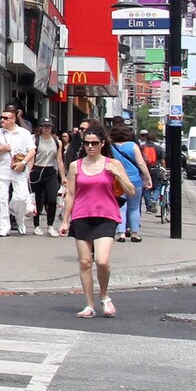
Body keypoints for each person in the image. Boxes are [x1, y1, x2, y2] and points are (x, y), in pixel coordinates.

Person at [61, 125, 135, 317]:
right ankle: (89, 305)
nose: (90, 147)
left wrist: (117, 174)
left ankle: (104, 295)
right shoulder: (75, 166)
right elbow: (70, 194)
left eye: (94, 143)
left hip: (106, 216)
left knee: (102, 261)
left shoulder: (113, 164)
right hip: (82, 216)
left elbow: (131, 191)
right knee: (85, 262)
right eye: (87, 143)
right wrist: (64, 220)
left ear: (102, 144)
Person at [0, 106, 35, 237]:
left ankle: (20, 220)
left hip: (19, 169)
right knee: (2, 198)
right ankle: (4, 226)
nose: (2, 120)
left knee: (21, 197)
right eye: (1, 118)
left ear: (14, 119)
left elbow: (32, 150)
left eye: (6, 118)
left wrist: (24, 162)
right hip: (2, 169)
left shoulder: (24, 133)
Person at [108, 120, 150, 241]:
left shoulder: (111, 147)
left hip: (117, 180)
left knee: (120, 207)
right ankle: (135, 233)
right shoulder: (133, 146)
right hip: (134, 180)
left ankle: (120, 233)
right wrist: (147, 178)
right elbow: (141, 163)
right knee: (134, 207)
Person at [28, 119, 63, 236]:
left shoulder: (57, 142)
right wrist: (28, 171)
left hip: (50, 171)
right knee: (37, 199)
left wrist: (63, 177)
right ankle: (36, 225)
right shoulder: (35, 140)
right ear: (40, 128)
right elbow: (31, 156)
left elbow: (59, 160)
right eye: (45, 126)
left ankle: (50, 225)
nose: (47, 129)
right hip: (37, 170)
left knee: (52, 199)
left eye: (49, 126)